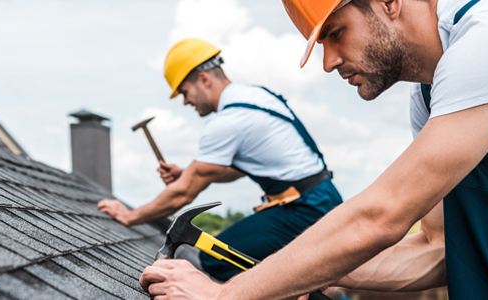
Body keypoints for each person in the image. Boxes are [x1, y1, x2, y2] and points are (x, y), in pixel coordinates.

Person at [137, 0, 488, 299]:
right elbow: (439, 251)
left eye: (336, 32)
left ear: (390, 1)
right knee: (484, 162)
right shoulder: (437, 101)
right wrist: (281, 277)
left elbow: (382, 216)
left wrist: (231, 295)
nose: (329, 61)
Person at [97, 38, 343, 282]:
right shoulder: (256, 97)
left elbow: (182, 195)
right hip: (322, 196)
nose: (186, 102)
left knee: (217, 259)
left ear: (204, 79)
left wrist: (131, 215)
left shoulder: (227, 121)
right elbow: (236, 169)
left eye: (184, 92)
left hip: (306, 208)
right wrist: (187, 173)